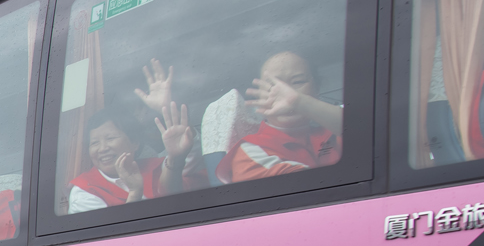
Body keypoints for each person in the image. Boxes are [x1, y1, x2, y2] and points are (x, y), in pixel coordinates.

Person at [222, 50, 343, 182]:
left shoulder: (334, 131)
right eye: (272, 86)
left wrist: (299, 101)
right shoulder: (250, 153)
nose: (286, 93)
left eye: (298, 82)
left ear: (316, 89)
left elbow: (360, 127)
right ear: (258, 95)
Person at [65, 105, 196, 213]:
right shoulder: (84, 192)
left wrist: (176, 156)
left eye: (110, 138)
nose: (102, 148)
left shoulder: (160, 167)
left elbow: (181, 197)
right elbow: (110, 235)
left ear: (135, 143)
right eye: (94, 143)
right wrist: (134, 193)